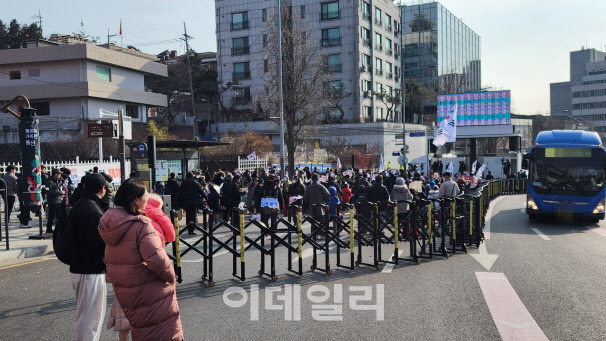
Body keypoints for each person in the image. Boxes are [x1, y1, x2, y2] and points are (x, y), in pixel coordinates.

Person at [99, 178, 183, 341]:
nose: (147, 199)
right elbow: (157, 260)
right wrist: (171, 277)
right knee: (162, 333)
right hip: (148, 290)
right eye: (145, 195)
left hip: (126, 290)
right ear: (136, 200)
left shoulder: (110, 223)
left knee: (142, 331)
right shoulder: (141, 225)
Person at [68, 173, 109, 341]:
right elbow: (97, 243)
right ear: (103, 189)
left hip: (79, 267)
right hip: (90, 270)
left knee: (85, 317)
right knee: (91, 319)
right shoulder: (93, 210)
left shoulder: (79, 205)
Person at [46, 169, 65, 233]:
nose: (60, 175)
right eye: (59, 174)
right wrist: (59, 192)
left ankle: (60, 228)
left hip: (58, 201)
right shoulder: (49, 182)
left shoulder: (57, 181)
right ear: (55, 174)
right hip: (52, 201)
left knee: (60, 216)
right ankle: (49, 229)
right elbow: (49, 192)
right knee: (51, 216)